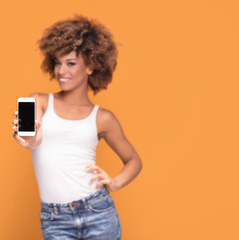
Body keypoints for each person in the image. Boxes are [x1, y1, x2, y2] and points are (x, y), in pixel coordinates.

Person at [12, 15, 142, 240]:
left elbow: (134, 161)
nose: (62, 71)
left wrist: (115, 182)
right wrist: (30, 140)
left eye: (71, 63)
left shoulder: (103, 118)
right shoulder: (39, 101)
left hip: (98, 212)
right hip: (55, 219)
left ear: (90, 66)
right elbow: (33, 139)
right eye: (58, 63)